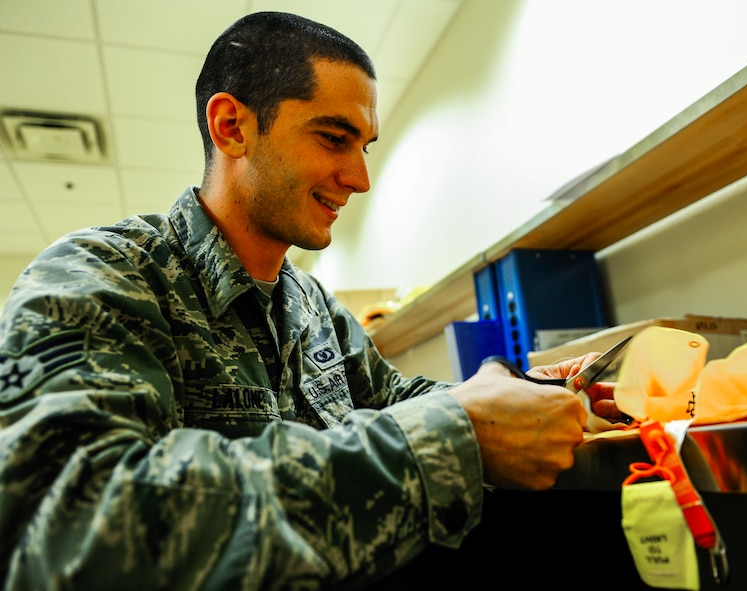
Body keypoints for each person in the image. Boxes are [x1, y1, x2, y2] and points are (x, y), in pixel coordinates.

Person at [0, 12, 622, 590]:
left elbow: (394, 400)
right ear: (232, 126)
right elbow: (69, 526)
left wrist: (522, 392)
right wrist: (454, 435)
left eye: (364, 147)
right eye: (333, 138)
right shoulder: (100, 274)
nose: (360, 177)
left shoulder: (310, 302)